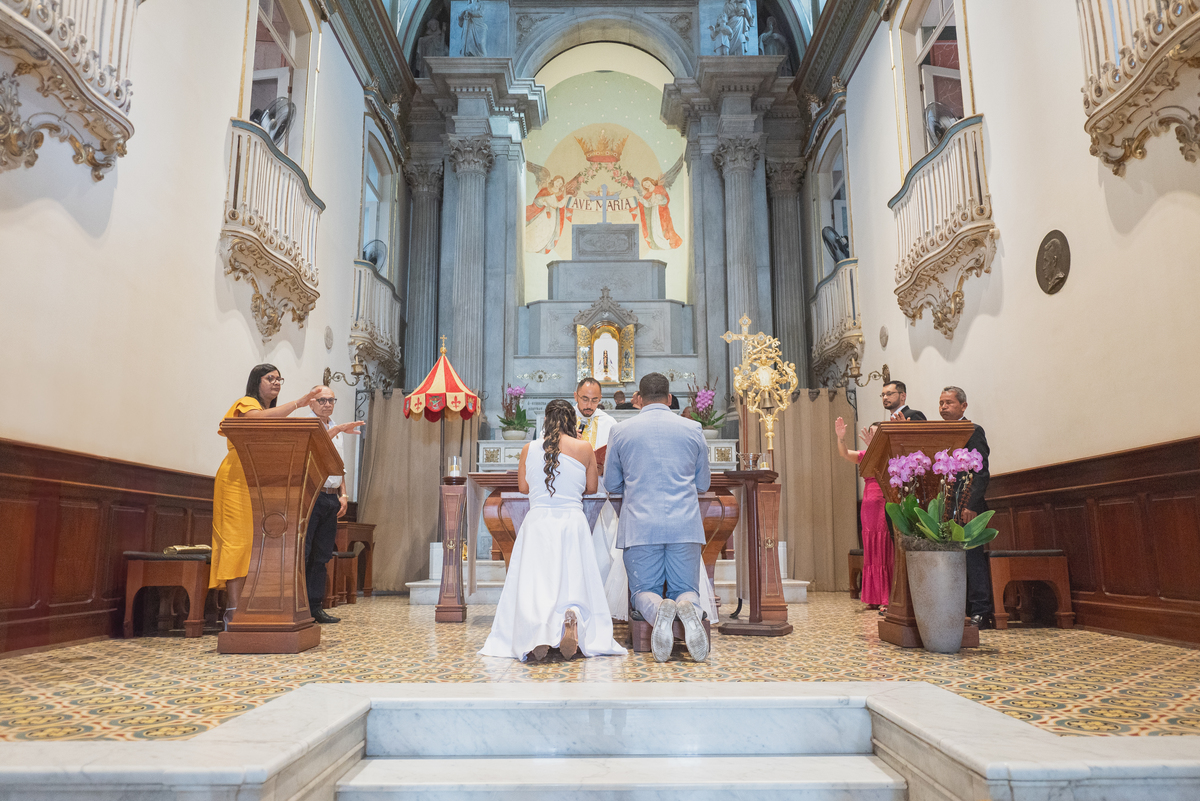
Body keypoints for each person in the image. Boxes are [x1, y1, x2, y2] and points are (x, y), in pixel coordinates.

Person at [480, 399, 626, 661]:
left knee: (538, 582)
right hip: (571, 520)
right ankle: (571, 617)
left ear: (545, 421)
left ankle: (538, 632)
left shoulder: (529, 448)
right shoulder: (584, 448)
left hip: (538, 523)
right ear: (572, 420)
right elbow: (592, 488)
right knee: (572, 576)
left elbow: (524, 488)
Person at [605, 373, 712, 662]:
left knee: (643, 590)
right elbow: (703, 484)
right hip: (684, 525)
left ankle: (657, 611)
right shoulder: (693, 429)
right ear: (669, 398)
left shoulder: (621, 430)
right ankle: (688, 608)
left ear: (639, 398)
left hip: (640, 526)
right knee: (686, 589)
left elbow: (611, 484)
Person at [211, 364, 323, 627]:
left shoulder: (271, 413)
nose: (276, 383)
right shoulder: (246, 403)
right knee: (237, 544)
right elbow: (255, 420)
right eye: (270, 378)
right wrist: (299, 403)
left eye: (279, 379)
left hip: (261, 484)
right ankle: (233, 611)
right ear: (256, 381)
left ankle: (254, 606)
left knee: (256, 548)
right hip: (237, 481)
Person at [303, 385, 366, 624]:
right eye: (322, 400)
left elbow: (339, 465)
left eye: (331, 400)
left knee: (322, 554)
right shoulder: (308, 424)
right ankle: (299, 605)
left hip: (331, 496)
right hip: (312, 494)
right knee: (306, 552)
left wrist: (344, 493)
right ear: (311, 403)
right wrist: (338, 428)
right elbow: (313, 445)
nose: (327, 404)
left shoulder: (335, 427)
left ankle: (315, 606)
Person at [939, 386, 995, 629]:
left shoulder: (973, 431)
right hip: (946, 503)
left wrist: (971, 504)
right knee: (950, 557)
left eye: (949, 403)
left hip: (967, 504)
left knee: (972, 556)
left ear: (963, 406)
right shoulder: (938, 433)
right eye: (941, 403)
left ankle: (981, 611)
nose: (943, 407)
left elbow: (980, 472)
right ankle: (957, 607)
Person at [834, 417, 892, 614]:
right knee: (871, 547)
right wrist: (840, 437)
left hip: (884, 501)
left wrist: (877, 449)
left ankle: (886, 597)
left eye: (876, 435)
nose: (872, 437)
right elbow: (844, 454)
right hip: (868, 505)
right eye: (871, 433)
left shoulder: (890, 454)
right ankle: (873, 597)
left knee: (884, 547)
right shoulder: (866, 455)